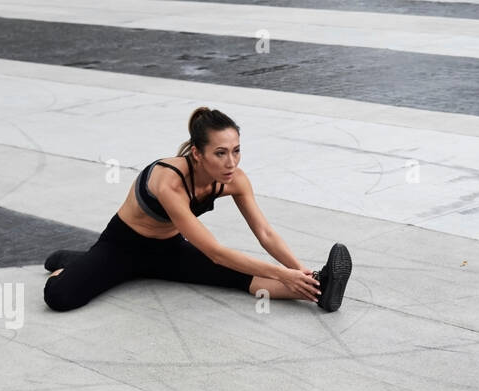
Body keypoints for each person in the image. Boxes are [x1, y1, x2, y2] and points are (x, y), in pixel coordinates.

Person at [43, 106, 351, 313]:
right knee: (60, 298)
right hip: (122, 246)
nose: (231, 162)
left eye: (236, 151)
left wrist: (298, 271)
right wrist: (281, 272)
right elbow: (215, 251)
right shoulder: (169, 182)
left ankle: (318, 287)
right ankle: (74, 262)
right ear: (197, 154)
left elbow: (265, 232)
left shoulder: (235, 180)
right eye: (220, 153)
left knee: (239, 279)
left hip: (169, 250)